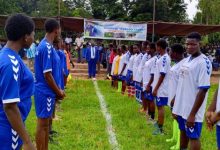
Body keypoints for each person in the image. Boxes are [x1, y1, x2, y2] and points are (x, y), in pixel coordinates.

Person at [0, 13, 35, 150]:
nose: (33, 38)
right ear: (25, 37)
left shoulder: (6, 56)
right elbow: (10, 106)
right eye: (32, 34)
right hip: (9, 130)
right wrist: (27, 141)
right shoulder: (11, 63)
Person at [172, 32, 212, 150]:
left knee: (193, 136)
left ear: (200, 44)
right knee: (183, 131)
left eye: (193, 44)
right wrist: (176, 101)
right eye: (187, 44)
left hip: (192, 108)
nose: (189, 46)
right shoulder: (187, 59)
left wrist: (192, 114)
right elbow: (182, 83)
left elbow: (203, 90)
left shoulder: (204, 62)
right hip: (181, 106)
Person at [34, 18, 65, 150]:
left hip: (47, 92)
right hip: (45, 92)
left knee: (45, 125)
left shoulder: (46, 46)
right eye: (60, 29)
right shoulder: (46, 47)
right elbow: (47, 75)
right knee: (42, 125)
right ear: (56, 30)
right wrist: (58, 92)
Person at [166, 44, 185, 149]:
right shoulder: (177, 63)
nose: (169, 53)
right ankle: (174, 138)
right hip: (172, 96)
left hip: (177, 98)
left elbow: (182, 85)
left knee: (179, 120)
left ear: (176, 53)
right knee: (174, 118)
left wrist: (175, 98)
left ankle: (179, 144)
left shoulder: (183, 65)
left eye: (170, 51)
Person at [152, 39, 171, 135]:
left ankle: (160, 129)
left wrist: (156, 88)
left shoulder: (164, 58)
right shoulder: (162, 57)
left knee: (160, 107)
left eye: (156, 46)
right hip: (159, 87)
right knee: (159, 106)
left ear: (159, 47)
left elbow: (162, 75)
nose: (156, 48)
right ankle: (159, 124)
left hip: (161, 88)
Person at [142, 43, 157, 123]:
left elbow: (153, 74)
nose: (147, 50)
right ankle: (149, 114)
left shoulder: (154, 60)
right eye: (146, 48)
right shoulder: (149, 58)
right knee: (147, 99)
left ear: (153, 49)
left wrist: (148, 85)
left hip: (149, 84)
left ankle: (152, 117)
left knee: (151, 100)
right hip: (146, 83)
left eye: (149, 48)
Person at [136, 41, 151, 112]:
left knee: (145, 94)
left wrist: (142, 78)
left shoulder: (148, 55)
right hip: (141, 76)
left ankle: (145, 108)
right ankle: (143, 107)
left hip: (145, 77)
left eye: (143, 45)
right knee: (142, 93)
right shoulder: (145, 54)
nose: (142, 46)